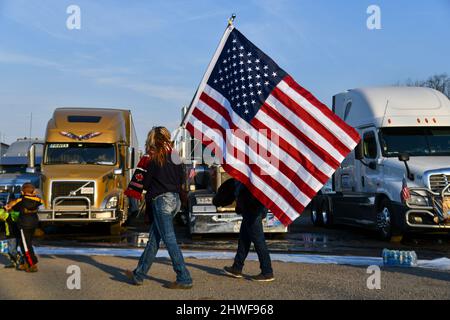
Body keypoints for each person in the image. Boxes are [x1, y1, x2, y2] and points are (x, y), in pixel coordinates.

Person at [125, 126, 193, 289]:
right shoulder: (175, 156)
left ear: (153, 140)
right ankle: (139, 274)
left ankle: (184, 277)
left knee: (169, 240)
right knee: (154, 240)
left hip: (162, 201)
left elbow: (146, 183)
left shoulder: (154, 158)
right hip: (175, 200)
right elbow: (182, 178)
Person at [213, 178, 275, 282]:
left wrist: (218, 201)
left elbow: (235, 190)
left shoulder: (247, 174)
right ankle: (237, 267)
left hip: (252, 207)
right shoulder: (251, 172)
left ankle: (267, 271)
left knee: (258, 240)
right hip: (253, 206)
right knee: (244, 239)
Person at [5, 183, 44, 273]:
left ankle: (32, 264)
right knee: (26, 243)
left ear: (22, 192)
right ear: (33, 191)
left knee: (26, 246)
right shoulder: (38, 200)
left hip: (24, 225)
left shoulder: (20, 201)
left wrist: (9, 205)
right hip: (33, 224)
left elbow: (9, 207)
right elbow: (40, 201)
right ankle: (26, 263)